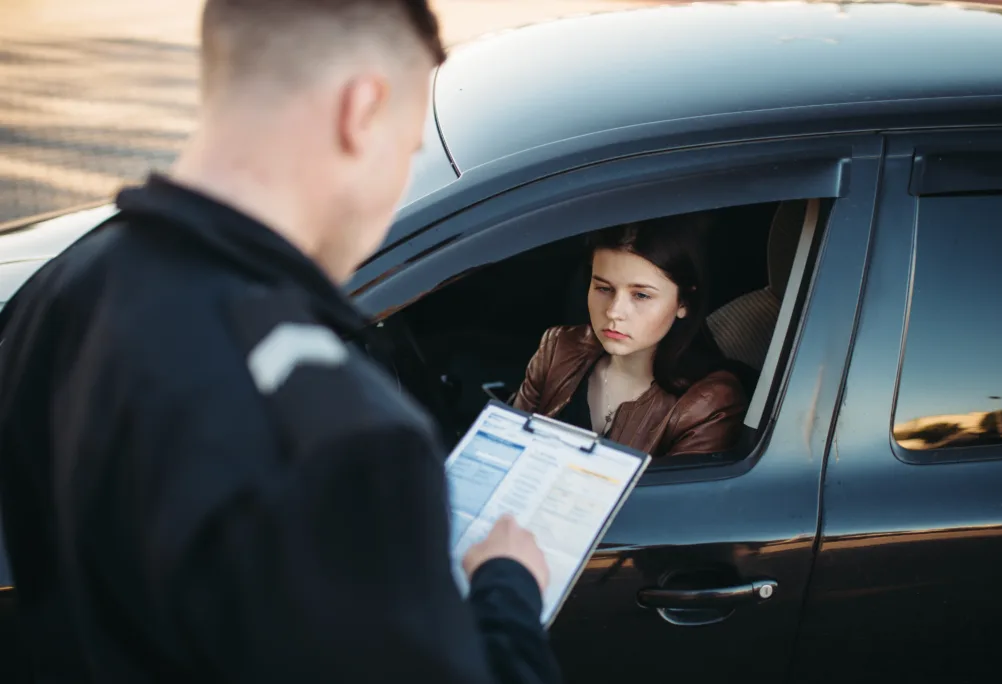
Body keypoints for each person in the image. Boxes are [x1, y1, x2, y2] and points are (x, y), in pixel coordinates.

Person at [0, 1, 561, 683]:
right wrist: (507, 590)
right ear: (361, 109)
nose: (395, 191)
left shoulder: (58, 292)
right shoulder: (348, 442)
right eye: (409, 151)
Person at [512, 219, 748, 458]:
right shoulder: (559, 349)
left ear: (683, 302)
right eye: (604, 289)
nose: (614, 312)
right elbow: (506, 448)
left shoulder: (707, 403)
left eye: (641, 295)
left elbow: (673, 495)